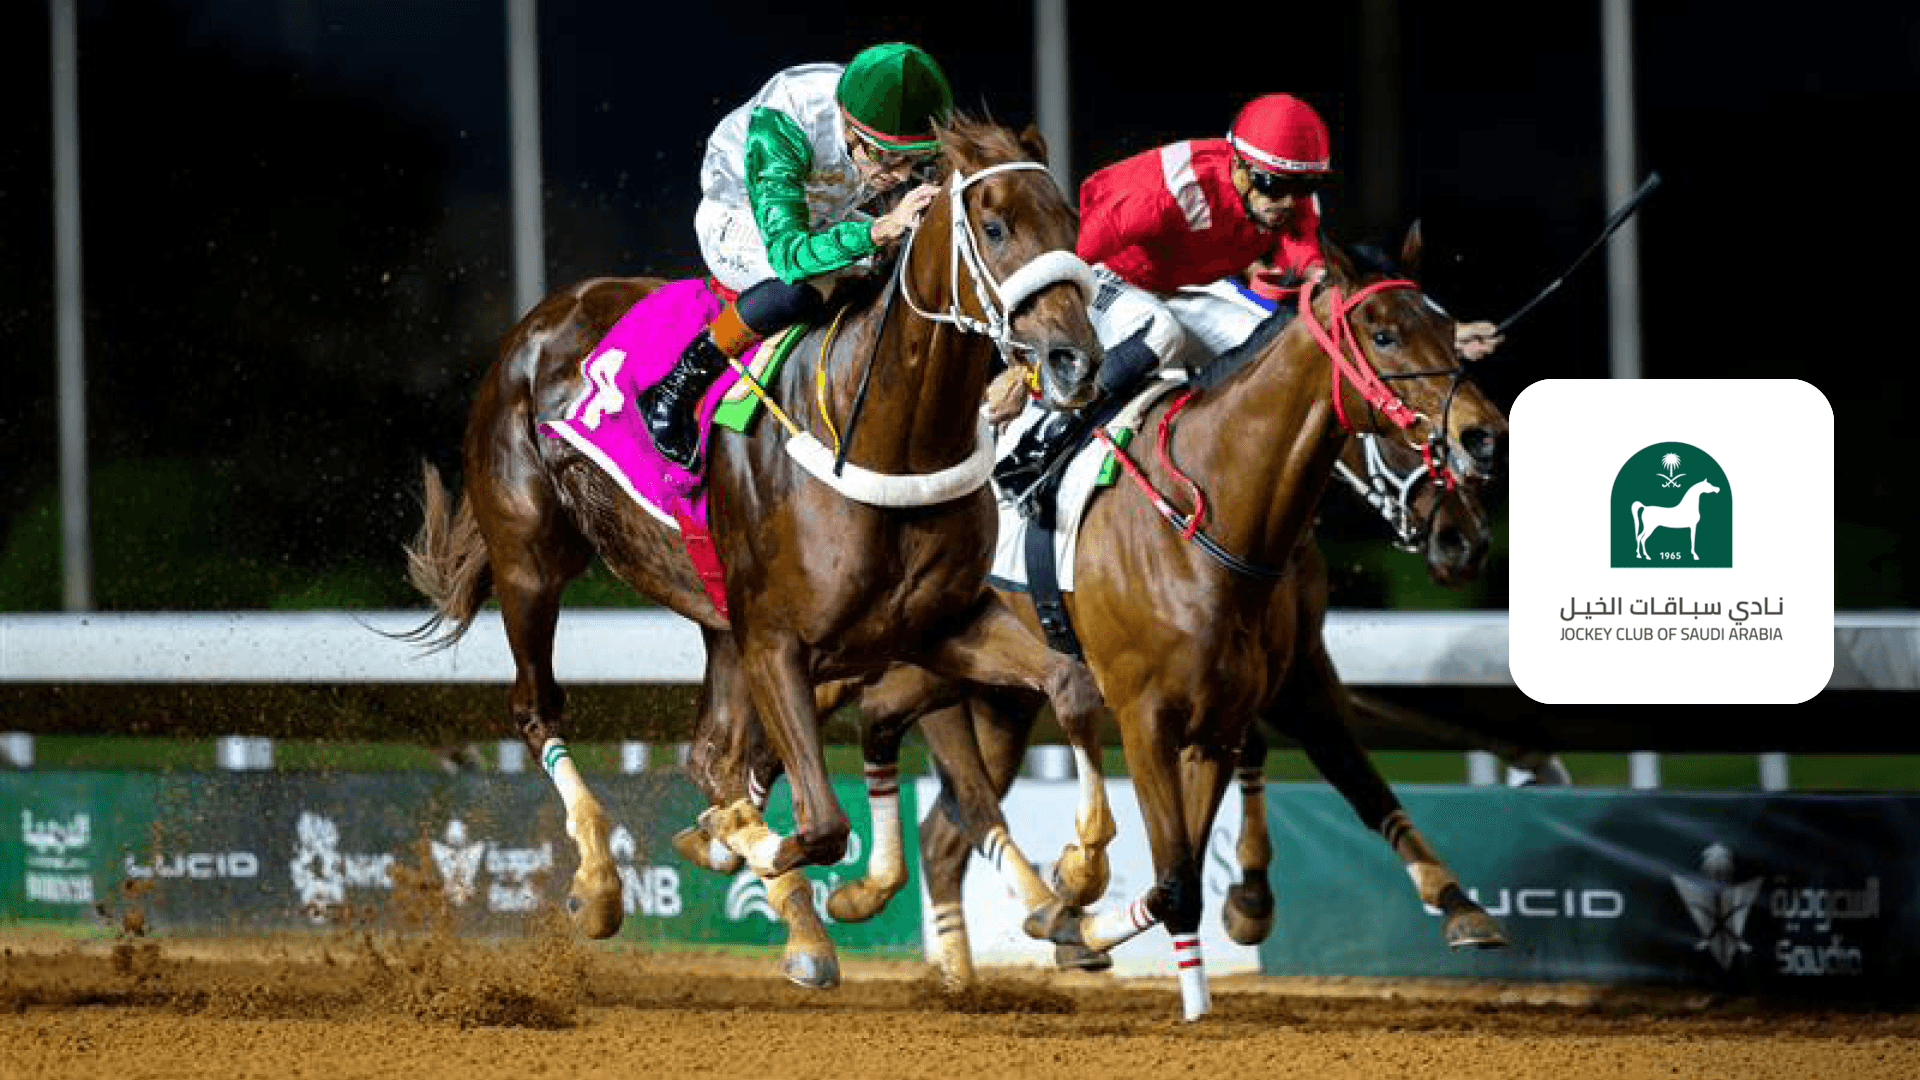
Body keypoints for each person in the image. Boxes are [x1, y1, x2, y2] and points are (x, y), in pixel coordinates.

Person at [993, 92, 1503, 505]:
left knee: (1286, 347)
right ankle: (1044, 442)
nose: (1286, 204)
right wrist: (1025, 366)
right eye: (1272, 185)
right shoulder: (1161, 194)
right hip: (1106, 276)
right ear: (1237, 165)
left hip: (1184, 285)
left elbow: (1336, 300)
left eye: (1302, 187)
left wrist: (1440, 334)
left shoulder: (1292, 198)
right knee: (1161, 331)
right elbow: (1059, 270)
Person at [640, 43, 953, 469]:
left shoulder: (887, 115)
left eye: (914, 161)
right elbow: (790, 256)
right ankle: (674, 390)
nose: (900, 175)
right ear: (848, 125)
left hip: (821, 213)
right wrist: (879, 229)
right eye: (887, 157)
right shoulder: (785, 119)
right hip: (742, 216)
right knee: (801, 288)